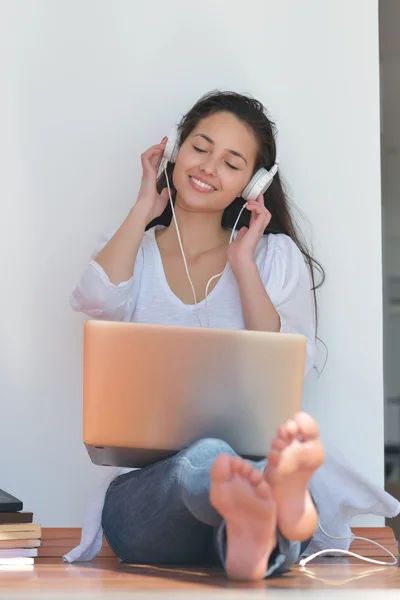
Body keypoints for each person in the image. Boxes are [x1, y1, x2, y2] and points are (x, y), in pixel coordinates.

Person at [70, 90, 326, 581]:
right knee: (210, 462)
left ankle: (250, 536)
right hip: (151, 498)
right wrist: (144, 207)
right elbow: (97, 301)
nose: (208, 167)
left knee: (231, 466)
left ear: (253, 185)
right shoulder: (133, 252)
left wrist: (242, 264)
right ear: (175, 150)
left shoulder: (272, 257)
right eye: (200, 148)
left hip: (242, 468)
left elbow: (291, 357)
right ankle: (273, 508)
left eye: (231, 163)